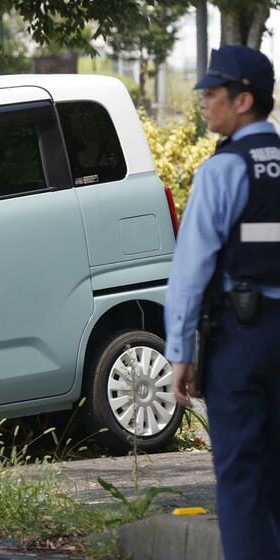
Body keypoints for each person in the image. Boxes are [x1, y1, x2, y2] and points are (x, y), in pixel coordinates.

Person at [166, 45, 280, 559]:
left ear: (244, 100)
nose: (205, 102)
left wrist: (180, 351)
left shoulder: (223, 172)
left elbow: (190, 272)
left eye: (213, 93)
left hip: (240, 339)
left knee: (240, 477)